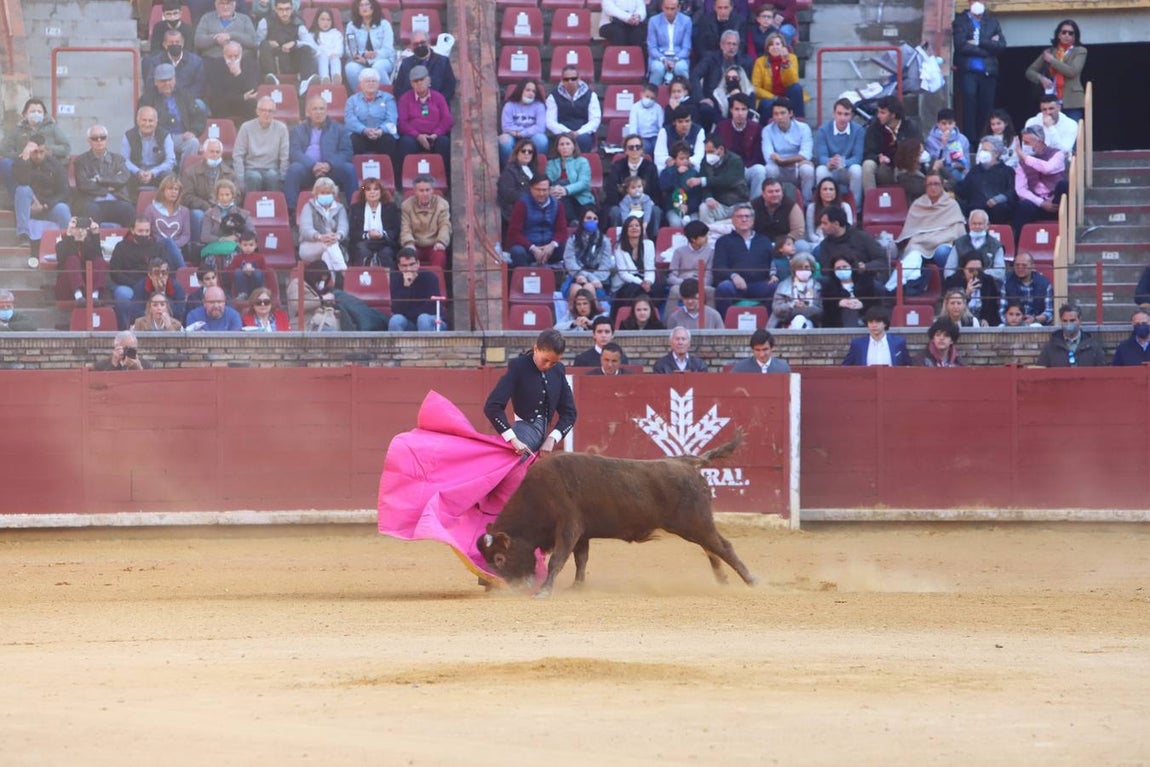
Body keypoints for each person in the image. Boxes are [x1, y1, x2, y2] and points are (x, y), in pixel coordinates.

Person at [483, 328, 577, 455]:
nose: (548, 366)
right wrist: (513, 439)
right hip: (523, 432)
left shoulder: (558, 370)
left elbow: (569, 413)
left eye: (553, 363)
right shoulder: (519, 366)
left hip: (543, 438)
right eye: (545, 360)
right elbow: (492, 406)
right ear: (536, 349)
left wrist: (552, 438)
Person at [286, 95, 356, 211]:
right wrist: (312, 165)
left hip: (331, 170)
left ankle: (355, 209)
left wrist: (329, 164)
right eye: (315, 109)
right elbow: (294, 152)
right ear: (308, 112)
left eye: (321, 109)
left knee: (349, 169)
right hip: (307, 170)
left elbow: (347, 152)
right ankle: (291, 211)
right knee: (294, 169)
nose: (319, 112)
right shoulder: (297, 130)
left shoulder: (340, 129)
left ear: (326, 111)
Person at [952, 1, 1005, 146]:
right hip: (969, 71)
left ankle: (986, 141)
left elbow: (1001, 46)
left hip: (988, 72)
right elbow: (961, 45)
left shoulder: (992, 21)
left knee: (986, 108)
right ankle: (971, 143)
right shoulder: (960, 20)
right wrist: (988, 45)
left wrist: (978, 42)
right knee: (969, 107)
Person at [894, 172, 966, 275]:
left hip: (944, 242)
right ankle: (900, 286)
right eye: (930, 184)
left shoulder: (952, 204)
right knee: (912, 253)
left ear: (942, 186)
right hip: (921, 244)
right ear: (925, 187)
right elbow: (911, 231)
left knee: (942, 252)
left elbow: (958, 230)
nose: (933, 187)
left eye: (936, 184)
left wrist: (936, 238)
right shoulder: (918, 204)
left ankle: (949, 285)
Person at [0, 98, 70, 197]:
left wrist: (47, 149)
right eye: (32, 111)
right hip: (25, 167)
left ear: (44, 114)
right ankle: (18, 197)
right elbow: (4, 149)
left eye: (39, 111)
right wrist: (22, 154)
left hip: (46, 166)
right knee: (5, 163)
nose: (36, 114)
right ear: (25, 114)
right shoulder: (18, 130)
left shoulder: (52, 128)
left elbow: (66, 147)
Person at [138, 63, 205, 166]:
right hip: (158, 138)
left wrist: (193, 131)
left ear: (174, 80)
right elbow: (140, 122)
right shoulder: (147, 98)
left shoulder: (184, 94)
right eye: (163, 81)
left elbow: (198, 116)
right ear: (156, 82)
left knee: (193, 142)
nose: (167, 83)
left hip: (181, 136)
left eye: (170, 80)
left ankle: (185, 175)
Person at [12, 135, 70, 246]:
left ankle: (67, 241)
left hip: (50, 206)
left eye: (41, 152)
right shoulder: (21, 163)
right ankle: (23, 235)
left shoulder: (55, 164)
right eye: (35, 152)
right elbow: (22, 181)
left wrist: (46, 205)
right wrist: (25, 159)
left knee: (63, 208)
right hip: (29, 207)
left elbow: (64, 192)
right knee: (22, 190)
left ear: (46, 150)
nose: (38, 156)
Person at [1026, 20, 1087, 123]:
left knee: (1071, 133)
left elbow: (1072, 71)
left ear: (1075, 36)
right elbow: (1029, 71)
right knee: (1050, 131)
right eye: (1064, 32)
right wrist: (1041, 78)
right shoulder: (1050, 51)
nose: (1067, 35)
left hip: (1072, 101)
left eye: (1070, 33)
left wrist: (1052, 61)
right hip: (1051, 99)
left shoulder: (1080, 50)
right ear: (1058, 34)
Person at [74, 125, 135, 228]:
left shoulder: (118, 159)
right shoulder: (81, 161)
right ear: (89, 141)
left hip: (116, 200)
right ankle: (93, 242)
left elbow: (123, 178)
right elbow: (83, 184)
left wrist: (99, 179)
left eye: (102, 137)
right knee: (91, 211)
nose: (99, 141)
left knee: (128, 209)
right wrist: (109, 187)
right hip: (92, 202)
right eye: (94, 138)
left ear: (107, 139)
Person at [108, 217, 164, 329]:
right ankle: (125, 330)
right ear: (132, 230)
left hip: (151, 286)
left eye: (147, 231)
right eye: (140, 231)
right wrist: (133, 284)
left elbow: (163, 267)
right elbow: (115, 271)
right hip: (127, 285)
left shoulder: (157, 246)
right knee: (123, 294)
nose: (144, 234)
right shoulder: (121, 246)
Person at [396, 65, 454, 170]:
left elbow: (447, 119)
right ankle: (405, 181)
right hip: (414, 137)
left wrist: (436, 134)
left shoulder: (438, 97)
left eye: (422, 79)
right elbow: (402, 123)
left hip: (435, 136)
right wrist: (418, 136)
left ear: (428, 80)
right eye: (415, 81)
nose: (419, 83)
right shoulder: (405, 98)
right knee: (405, 143)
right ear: (411, 84)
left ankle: (444, 180)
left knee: (444, 143)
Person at [695, 29, 754, 131]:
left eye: (734, 44)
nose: (731, 47)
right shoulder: (710, 58)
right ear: (721, 45)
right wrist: (701, 98)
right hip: (715, 100)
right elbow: (695, 76)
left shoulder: (745, 61)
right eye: (728, 44)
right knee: (704, 109)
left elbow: (748, 85)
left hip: (738, 99)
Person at [1013, 125, 1066, 237]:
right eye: (1023, 143)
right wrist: (1041, 203)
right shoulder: (1022, 164)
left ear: (1039, 142)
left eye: (1027, 142)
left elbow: (1047, 169)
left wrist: (1023, 156)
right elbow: (1020, 190)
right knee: (1023, 205)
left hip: (1056, 200)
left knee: (1064, 185)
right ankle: (1017, 244)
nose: (1025, 146)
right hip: (1038, 202)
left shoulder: (1057, 154)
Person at [818, 205, 890, 285]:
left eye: (825, 223)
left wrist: (865, 267)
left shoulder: (862, 237)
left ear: (836, 224)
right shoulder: (824, 245)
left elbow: (882, 261)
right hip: (839, 286)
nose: (821, 227)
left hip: (865, 282)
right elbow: (826, 271)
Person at [257, 0, 317, 93]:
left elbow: (313, 47)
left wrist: (295, 43)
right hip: (272, 61)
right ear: (275, 9)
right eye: (281, 9)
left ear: (292, 9)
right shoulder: (265, 22)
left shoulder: (298, 23)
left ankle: (305, 82)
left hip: (291, 61)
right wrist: (268, 42)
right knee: (264, 45)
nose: (284, 13)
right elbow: (256, 43)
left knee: (305, 48)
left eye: (287, 9)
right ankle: (271, 78)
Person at [862, 95, 919, 193]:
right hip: (882, 168)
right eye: (878, 111)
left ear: (893, 114)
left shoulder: (909, 127)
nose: (878, 115)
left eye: (882, 112)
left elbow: (917, 149)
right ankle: (871, 201)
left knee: (907, 169)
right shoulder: (874, 128)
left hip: (904, 166)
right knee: (867, 165)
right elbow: (868, 153)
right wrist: (878, 158)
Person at [506, 175, 566, 268]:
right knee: (517, 251)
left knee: (566, 247)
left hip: (549, 248)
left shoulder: (558, 205)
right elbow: (514, 233)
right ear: (531, 189)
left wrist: (552, 245)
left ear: (549, 190)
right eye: (538, 190)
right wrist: (533, 248)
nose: (541, 193)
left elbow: (562, 231)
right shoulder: (522, 204)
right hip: (528, 248)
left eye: (545, 190)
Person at [232, 96, 290, 193]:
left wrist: (283, 177)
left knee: (272, 176)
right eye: (263, 110)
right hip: (251, 169)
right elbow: (237, 155)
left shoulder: (281, 128)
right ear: (257, 111)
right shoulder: (246, 127)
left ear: (274, 113)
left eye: (270, 111)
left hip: (272, 168)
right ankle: (250, 207)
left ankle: (274, 207)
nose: (266, 114)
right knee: (254, 177)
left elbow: (285, 156)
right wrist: (240, 179)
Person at [762, 97, 814, 204]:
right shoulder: (767, 130)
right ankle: (773, 202)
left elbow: (806, 155)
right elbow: (769, 156)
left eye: (782, 113)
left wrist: (782, 160)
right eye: (776, 114)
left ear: (790, 113)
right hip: (779, 168)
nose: (779, 117)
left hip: (797, 168)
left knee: (807, 170)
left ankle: (806, 203)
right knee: (769, 169)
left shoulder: (804, 128)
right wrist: (794, 160)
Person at [814, 98, 864, 207]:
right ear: (833, 114)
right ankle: (822, 207)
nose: (842, 118)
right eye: (839, 113)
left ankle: (855, 208)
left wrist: (842, 162)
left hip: (847, 168)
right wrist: (829, 162)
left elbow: (858, 157)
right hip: (831, 168)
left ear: (851, 116)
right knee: (820, 171)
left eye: (846, 114)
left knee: (857, 170)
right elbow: (821, 156)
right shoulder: (823, 130)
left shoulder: (858, 130)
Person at [714, 94, 766, 196]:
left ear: (748, 111)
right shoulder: (721, 127)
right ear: (731, 110)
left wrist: (745, 166)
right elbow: (716, 151)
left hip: (747, 168)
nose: (740, 113)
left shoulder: (756, 128)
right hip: (727, 168)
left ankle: (754, 204)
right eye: (737, 109)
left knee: (760, 170)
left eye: (743, 109)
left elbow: (758, 155)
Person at [957, 136, 1016, 225]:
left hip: (997, 212)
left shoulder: (1007, 171)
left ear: (996, 153)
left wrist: (998, 199)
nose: (982, 153)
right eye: (981, 150)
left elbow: (1012, 191)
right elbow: (963, 190)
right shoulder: (975, 170)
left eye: (985, 150)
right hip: (975, 210)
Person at [560, 205, 613, 303]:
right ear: (582, 220)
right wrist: (585, 277)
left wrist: (593, 279)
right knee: (575, 290)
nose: (592, 221)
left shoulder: (605, 241)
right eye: (588, 218)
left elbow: (605, 266)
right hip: (577, 276)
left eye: (595, 219)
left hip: (599, 279)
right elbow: (570, 263)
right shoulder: (572, 239)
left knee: (592, 290)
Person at [544, 66, 601, 154]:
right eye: (566, 79)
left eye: (573, 78)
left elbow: (595, 120)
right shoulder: (553, 97)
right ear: (562, 80)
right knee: (562, 142)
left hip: (583, 133)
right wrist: (567, 132)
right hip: (561, 132)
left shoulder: (591, 95)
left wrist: (579, 132)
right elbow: (550, 121)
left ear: (579, 79)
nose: (570, 81)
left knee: (583, 139)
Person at [694, 134, 749, 225]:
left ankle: (718, 226)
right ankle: (710, 234)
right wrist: (708, 197)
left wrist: (704, 180)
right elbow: (704, 185)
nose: (708, 155)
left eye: (711, 151)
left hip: (737, 202)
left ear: (721, 149)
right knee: (704, 208)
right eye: (706, 152)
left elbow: (728, 180)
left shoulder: (736, 160)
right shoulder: (705, 162)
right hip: (718, 203)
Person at [144, 27, 207, 105]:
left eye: (177, 42)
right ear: (164, 44)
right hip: (162, 99)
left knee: (200, 105)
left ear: (183, 43)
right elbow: (151, 84)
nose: (174, 45)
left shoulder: (196, 61)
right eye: (171, 42)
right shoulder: (156, 61)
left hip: (188, 100)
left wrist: (182, 99)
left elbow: (198, 86)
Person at [604, 135, 662, 220]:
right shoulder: (617, 166)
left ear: (642, 149)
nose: (635, 150)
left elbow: (655, 192)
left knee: (655, 210)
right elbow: (611, 191)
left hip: (645, 204)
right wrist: (627, 205)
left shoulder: (650, 167)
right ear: (625, 150)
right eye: (631, 147)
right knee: (614, 211)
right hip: (622, 204)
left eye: (638, 147)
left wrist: (643, 205)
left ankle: (652, 234)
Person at [611, 214, 657, 321]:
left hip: (646, 281)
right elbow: (623, 274)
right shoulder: (619, 247)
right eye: (631, 226)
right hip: (626, 283)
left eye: (637, 225)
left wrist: (648, 282)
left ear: (641, 229)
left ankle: (650, 320)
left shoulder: (649, 244)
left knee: (658, 289)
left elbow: (650, 268)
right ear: (625, 230)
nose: (634, 228)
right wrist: (641, 282)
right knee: (635, 289)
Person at [399, 175, 451, 269]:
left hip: (434, 244)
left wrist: (441, 242)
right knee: (407, 257)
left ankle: (437, 282)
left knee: (440, 256)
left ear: (432, 190)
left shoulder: (442, 204)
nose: (425, 193)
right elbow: (405, 227)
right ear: (415, 192)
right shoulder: (406, 205)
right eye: (421, 190)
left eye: (428, 190)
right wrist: (409, 243)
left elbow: (445, 225)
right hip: (415, 244)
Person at [343, 68, 398, 157]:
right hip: (360, 134)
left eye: (374, 81)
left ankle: (389, 170)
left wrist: (381, 130)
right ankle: (356, 170)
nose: (371, 84)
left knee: (389, 141)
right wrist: (364, 130)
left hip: (382, 135)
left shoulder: (388, 98)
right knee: (352, 140)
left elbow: (392, 120)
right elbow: (350, 120)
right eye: (367, 81)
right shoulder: (352, 100)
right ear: (361, 84)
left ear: (378, 84)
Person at [298, 176, 349, 268]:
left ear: (334, 194)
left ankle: (327, 281)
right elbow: (305, 229)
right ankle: (344, 272)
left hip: (334, 244)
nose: (325, 195)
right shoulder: (308, 207)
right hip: (310, 246)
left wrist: (337, 236)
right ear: (316, 193)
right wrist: (320, 237)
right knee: (331, 246)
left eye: (328, 193)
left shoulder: (340, 208)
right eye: (322, 193)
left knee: (328, 254)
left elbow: (343, 227)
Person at [54, 217, 108, 305]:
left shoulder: (89, 244)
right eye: (77, 228)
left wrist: (95, 235)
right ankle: (78, 296)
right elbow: (62, 258)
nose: (80, 231)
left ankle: (95, 296)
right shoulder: (62, 244)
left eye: (83, 229)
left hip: (87, 289)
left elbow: (97, 257)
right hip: (67, 288)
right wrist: (69, 235)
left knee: (99, 260)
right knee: (72, 259)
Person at [943, 209, 1006, 284]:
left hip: (988, 286)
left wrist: (979, 273)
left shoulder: (996, 245)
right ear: (969, 225)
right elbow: (949, 269)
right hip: (962, 285)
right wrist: (959, 279)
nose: (977, 227)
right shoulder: (959, 243)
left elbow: (1000, 271)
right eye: (974, 224)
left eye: (980, 224)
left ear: (987, 226)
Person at [348, 177, 400, 267]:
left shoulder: (391, 207)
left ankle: (388, 279)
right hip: (363, 242)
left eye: (376, 189)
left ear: (381, 191)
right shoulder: (356, 208)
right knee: (363, 252)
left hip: (385, 242)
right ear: (364, 192)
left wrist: (382, 234)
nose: (372, 192)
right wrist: (368, 235)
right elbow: (353, 232)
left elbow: (395, 230)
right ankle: (366, 280)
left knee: (386, 254)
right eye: (368, 189)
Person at [393, 30, 457, 104]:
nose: (420, 46)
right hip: (412, 109)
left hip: (437, 108)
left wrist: (436, 102)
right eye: (416, 44)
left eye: (422, 42)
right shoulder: (406, 63)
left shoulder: (443, 62)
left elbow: (450, 87)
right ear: (411, 46)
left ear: (429, 42)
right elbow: (398, 89)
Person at [205, 41, 260, 123]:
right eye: (229, 56)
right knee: (217, 103)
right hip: (224, 104)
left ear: (241, 54)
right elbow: (217, 94)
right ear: (224, 55)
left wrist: (238, 74)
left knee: (252, 104)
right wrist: (242, 97)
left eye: (236, 56)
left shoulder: (251, 64)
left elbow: (252, 89)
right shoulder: (215, 65)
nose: (233, 59)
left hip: (243, 105)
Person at [1035, 303, 1106, 367]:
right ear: (1061, 321)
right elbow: (1040, 371)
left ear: (1080, 320)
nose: (1068, 324)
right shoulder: (1050, 347)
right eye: (1065, 321)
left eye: (1072, 320)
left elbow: (1102, 373)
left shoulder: (1093, 346)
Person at [499, 78, 550, 166]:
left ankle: (536, 168)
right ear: (520, 90)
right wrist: (517, 132)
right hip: (513, 136)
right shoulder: (509, 105)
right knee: (504, 141)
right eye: (528, 90)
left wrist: (522, 133)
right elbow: (506, 126)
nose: (531, 93)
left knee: (542, 140)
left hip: (530, 136)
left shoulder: (539, 106)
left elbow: (540, 127)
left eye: (533, 91)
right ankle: (509, 169)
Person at [820, 254, 879, 329]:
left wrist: (862, 304)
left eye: (844, 267)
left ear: (851, 267)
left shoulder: (865, 282)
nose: (841, 270)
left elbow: (875, 303)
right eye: (838, 268)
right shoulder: (829, 287)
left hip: (865, 318)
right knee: (849, 309)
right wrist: (839, 303)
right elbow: (826, 307)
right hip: (840, 321)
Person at [144, 174, 191, 269]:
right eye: (170, 189)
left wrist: (173, 245)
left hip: (178, 249)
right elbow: (146, 232)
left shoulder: (184, 211)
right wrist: (168, 244)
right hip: (157, 247)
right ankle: (184, 272)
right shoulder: (151, 209)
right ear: (163, 191)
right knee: (168, 242)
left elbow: (186, 235)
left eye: (176, 189)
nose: (173, 192)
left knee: (170, 245)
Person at [751, 33, 803, 118]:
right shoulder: (759, 62)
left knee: (796, 88)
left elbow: (793, 81)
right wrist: (774, 97)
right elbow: (755, 88)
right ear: (767, 48)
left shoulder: (792, 58)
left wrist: (785, 62)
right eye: (771, 45)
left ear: (783, 46)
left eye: (778, 44)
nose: (775, 47)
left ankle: (799, 121)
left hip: (787, 95)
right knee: (766, 104)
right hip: (769, 97)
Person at [546, 133, 594, 223]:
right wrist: (553, 189)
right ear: (557, 148)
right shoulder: (551, 163)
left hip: (580, 198)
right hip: (559, 198)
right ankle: (572, 221)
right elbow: (547, 182)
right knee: (558, 189)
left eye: (568, 144)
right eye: (562, 144)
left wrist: (566, 190)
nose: (565, 147)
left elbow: (584, 183)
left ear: (573, 146)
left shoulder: (582, 162)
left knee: (562, 184)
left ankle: (572, 221)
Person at [665, 219, 714, 308]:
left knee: (711, 291)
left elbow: (709, 277)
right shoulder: (679, 252)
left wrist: (697, 285)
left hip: (700, 284)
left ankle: (711, 320)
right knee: (674, 291)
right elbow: (671, 277)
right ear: (693, 239)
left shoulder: (710, 252)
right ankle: (668, 321)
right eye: (703, 236)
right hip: (682, 284)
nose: (706, 238)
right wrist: (684, 283)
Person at [842, 305, 911, 366]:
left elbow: (908, 366)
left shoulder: (898, 342)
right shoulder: (858, 344)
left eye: (878, 322)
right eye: (871, 322)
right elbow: (844, 368)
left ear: (885, 323)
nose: (874, 325)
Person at [769, 250, 821, 328]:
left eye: (806, 267)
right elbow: (776, 309)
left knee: (801, 320)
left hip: (811, 322)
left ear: (812, 268)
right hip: (785, 323)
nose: (803, 270)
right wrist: (792, 305)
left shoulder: (818, 286)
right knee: (798, 320)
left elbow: (821, 311)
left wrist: (807, 307)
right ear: (794, 269)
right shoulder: (784, 285)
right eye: (800, 267)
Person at [646, 0, 692, 86]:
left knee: (681, 68)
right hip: (659, 56)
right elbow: (652, 48)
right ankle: (653, 94)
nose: (669, 12)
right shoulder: (653, 21)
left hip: (679, 57)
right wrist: (663, 59)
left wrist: (675, 59)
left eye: (672, 9)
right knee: (657, 68)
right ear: (662, 7)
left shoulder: (686, 21)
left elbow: (686, 48)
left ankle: (686, 96)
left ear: (678, 8)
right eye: (666, 8)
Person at [132, 256, 188, 325]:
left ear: (167, 274)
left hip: (170, 324)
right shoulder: (140, 287)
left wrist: (162, 293)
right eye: (156, 273)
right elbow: (136, 312)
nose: (160, 276)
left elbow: (179, 313)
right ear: (150, 275)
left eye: (164, 273)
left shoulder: (176, 287)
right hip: (148, 326)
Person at [1002, 251, 1053, 326]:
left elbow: (1049, 312)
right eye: (1017, 265)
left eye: (1024, 265)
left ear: (1032, 266)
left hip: (1036, 323)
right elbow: (1001, 310)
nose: (1020, 268)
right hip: (1012, 324)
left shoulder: (1044, 283)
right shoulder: (1007, 283)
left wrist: (1035, 319)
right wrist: (1014, 321)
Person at [497, 138, 540, 226]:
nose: (527, 154)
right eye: (523, 151)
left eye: (530, 152)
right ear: (517, 153)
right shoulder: (509, 171)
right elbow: (508, 194)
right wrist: (534, 196)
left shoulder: (534, 170)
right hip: (517, 211)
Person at [751, 178, 805, 248]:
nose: (774, 194)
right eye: (770, 192)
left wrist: (784, 243)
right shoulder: (753, 206)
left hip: (785, 243)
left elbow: (798, 230)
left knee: (802, 246)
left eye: (777, 191)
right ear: (763, 194)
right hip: (759, 243)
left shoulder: (792, 206)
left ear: (782, 192)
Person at [924, 108, 971, 187]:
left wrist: (963, 166)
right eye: (944, 123)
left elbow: (967, 162)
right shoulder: (930, 140)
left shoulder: (962, 139)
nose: (947, 127)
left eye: (950, 123)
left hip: (957, 171)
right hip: (940, 171)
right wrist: (943, 145)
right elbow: (934, 161)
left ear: (954, 124)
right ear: (938, 124)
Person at [805, 177, 853, 251]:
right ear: (819, 192)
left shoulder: (845, 207)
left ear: (836, 192)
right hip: (818, 242)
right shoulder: (812, 208)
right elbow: (811, 234)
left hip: (840, 241)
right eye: (825, 189)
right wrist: (824, 242)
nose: (828, 192)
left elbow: (848, 229)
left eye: (831, 189)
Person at [653, 105, 705, 171]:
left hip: (690, 165)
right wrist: (674, 162)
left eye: (687, 121)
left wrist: (685, 162)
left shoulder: (699, 131)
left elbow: (699, 155)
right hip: (671, 165)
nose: (684, 125)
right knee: (659, 168)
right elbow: (659, 155)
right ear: (674, 122)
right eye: (680, 121)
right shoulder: (664, 131)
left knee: (698, 167)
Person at [624, 84, 666, 157]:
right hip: (641, 136)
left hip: (655, 135)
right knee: (647, 148)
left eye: (652, 98)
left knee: (658, 147)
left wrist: (661, 138)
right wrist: (634, 139)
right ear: (641, 94)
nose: (649, 100)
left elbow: (661, 125)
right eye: (647, 97)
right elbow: (633, 125)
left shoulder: (658, 108)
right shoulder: (635, 107)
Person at [308, 8, 344, 84]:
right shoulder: (312, 34)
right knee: (323, 56)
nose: (325, 23)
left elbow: (339, 49)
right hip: (318, 58)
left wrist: (335, 53)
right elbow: (313, 50)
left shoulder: (336, 34)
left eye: (328, 20)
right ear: (317, 20)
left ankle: (336, 77)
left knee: (335, 58)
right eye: (322, 19)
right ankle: (324, 78)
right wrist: (325, 53)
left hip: (332, 57)